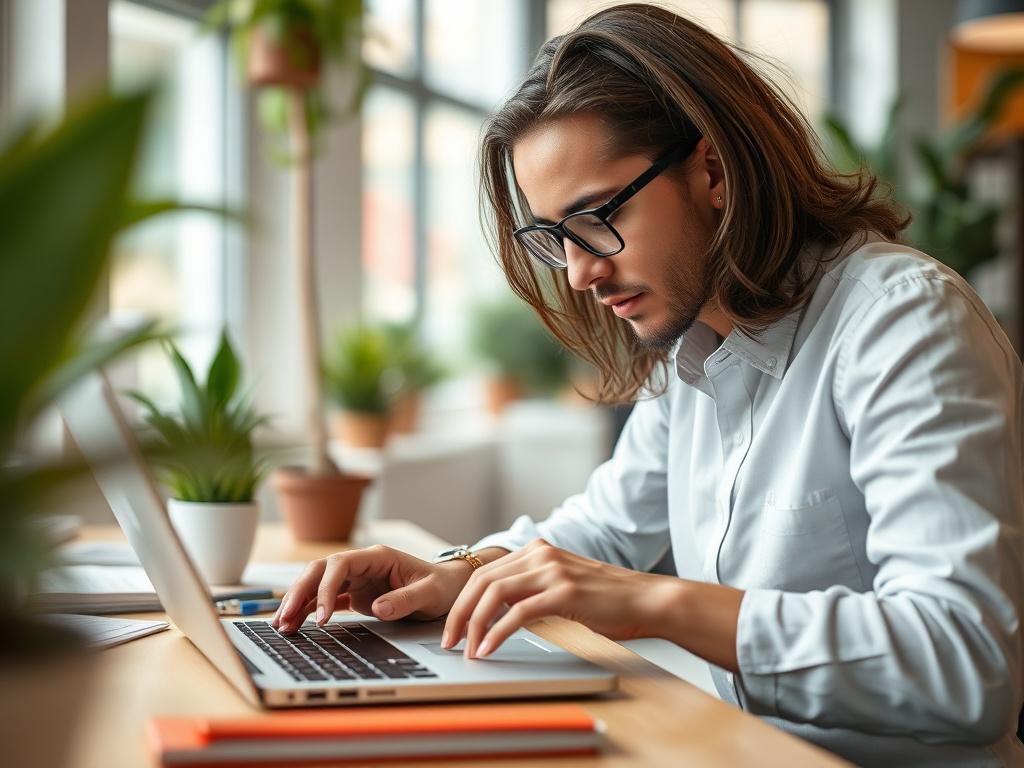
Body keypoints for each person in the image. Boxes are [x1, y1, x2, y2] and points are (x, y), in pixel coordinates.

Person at [273, 4, 1024, 764]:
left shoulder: (903, 323)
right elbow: (600, 534)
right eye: (554, 237)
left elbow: (963, 662)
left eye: (597, 216)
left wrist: (655, 602)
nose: (580, 272)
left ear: (713, 171)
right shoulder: (696, 347)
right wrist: (450, 574)